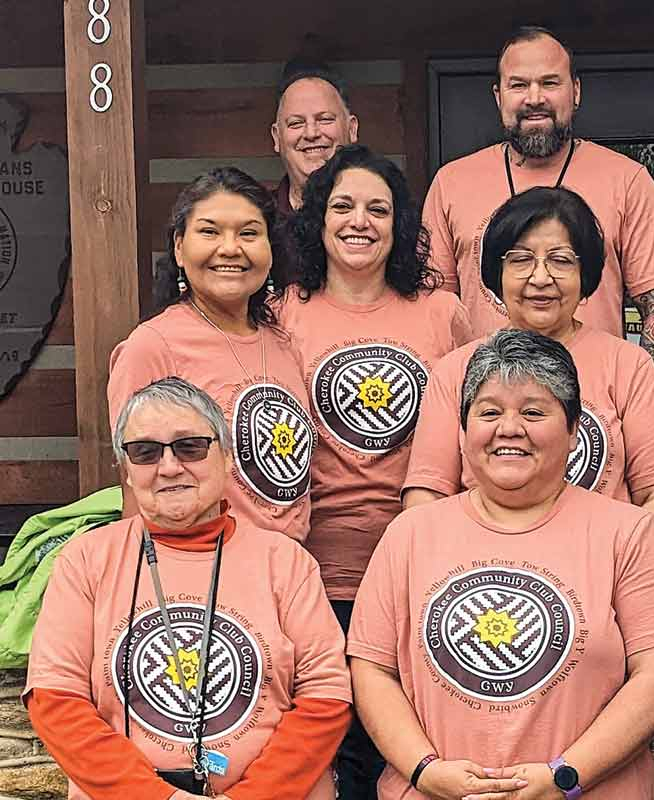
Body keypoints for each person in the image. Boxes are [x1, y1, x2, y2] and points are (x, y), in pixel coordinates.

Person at [348, 329, 654, 799]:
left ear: (574, 430)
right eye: (489, 412)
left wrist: (565, 776)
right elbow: (372, 670)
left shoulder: (629, 533)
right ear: (463, 430)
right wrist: (425, 771)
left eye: (533, 412)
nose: (509, 428)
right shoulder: (411, 534)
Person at [26, 377, 352, 799]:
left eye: (190, 447)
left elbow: (326, 697)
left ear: (228, 457)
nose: (169, 467)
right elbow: (56, 700)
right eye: (144, 452)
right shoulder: (86, 560)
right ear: (125, 469)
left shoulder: (285, 562)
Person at [276, 144, 471, 799]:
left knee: (405, 751)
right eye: (344, 206)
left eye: (378, 209)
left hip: (417, 569)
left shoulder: (441, 313)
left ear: (399, 224)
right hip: (312, 571)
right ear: (317, 218)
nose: (360, 221)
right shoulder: (282, 311)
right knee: (326, 756)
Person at [404, 187, 654, 535]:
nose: (540, 278)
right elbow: (425, 496)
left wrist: (616, 564)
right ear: (497, 272)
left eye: (561, 260)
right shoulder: (455, 370)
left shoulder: (628, 365)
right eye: (521, 260)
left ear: (587, 275)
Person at [422, 26, 654, 390]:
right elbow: (435, 310)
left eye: (550, 83)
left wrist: (641, 401)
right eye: (519, 85)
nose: (535, 98)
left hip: (596, 404)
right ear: (498, 96)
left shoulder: (627, 180)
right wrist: (450, 399)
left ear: (575, 91)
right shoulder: (450, 183)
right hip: (488, 404)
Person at [109, 167, 316, 541]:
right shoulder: (152, 347)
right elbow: (136, 493)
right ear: (178, 247)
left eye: (249, 233)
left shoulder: (282, 342)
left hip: (290, 575)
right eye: (209, 231)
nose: (230, 248)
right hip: (205, 582)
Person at [270, 59, 360, 281]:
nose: (311, 133)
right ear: (277, 137)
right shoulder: (258, 219)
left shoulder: (382, 216)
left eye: (325, 119)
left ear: (352, 129)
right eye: (295, 123)